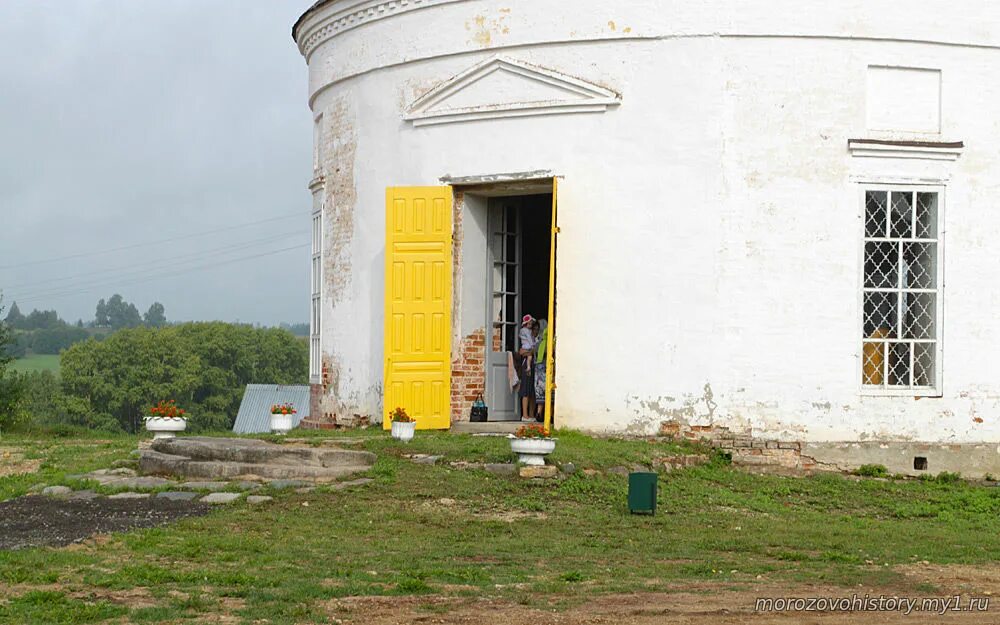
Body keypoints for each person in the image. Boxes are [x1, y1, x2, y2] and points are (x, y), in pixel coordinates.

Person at [517, 314, 538, 420]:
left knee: (532, 391)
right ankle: (525, 414)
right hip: (527, 363)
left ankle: (531, 414)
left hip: (534, 364)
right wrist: (530, 350)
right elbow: (524, 351)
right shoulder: (525, 332)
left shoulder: (534, 337)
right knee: (526, 389)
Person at [534, 319, 548, 421]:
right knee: (540, 390)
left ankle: (541, 413)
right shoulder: (540, 340)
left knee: (542, 390)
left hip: (543, 368)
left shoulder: (544, 342)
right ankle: (539, 413)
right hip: (540, 368)